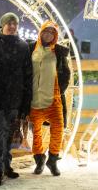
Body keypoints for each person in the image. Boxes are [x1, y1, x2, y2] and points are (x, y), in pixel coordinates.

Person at [0, 12, 32, 186]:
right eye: (8, 23)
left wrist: (25, 102)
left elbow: (28, 74)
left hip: (14, 98)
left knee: (10, 134)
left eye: (14, 23)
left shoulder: (23, 46)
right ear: (2, 24)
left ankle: (6, 165)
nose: (12, 26)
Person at [28, 21, 70, 176]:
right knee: (36, 132)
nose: (48, 35)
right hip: (34, 100)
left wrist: (59, 92)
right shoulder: (31, 49)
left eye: (52, 33)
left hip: (53, 100)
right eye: (46, 31)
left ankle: (53, 159)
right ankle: (39, 159)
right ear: (41, 32)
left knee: (58, 129)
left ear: (55, 35)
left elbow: (66, 74)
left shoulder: (58, 52)